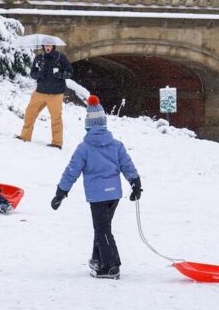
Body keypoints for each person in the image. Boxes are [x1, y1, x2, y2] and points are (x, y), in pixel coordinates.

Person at [50, 95, 142, 280]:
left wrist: (61, 192)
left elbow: (71, 171)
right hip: (114, 195)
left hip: (98, 196)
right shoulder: (116, 145)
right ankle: (97, 258)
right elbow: (127, 165)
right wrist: (135, 183)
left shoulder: (84, 148)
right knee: (103, 227)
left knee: (102, 230)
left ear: (88, 125)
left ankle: (111, 266)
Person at [16, 44, 73, 149]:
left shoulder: (60, 57)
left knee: (56, 118)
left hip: (56, 94)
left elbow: (70, 72)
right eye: (46, 45)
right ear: (43, 46)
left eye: (49, 45)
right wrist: (39, 74)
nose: (48, 47)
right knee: (29, 113)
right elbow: (32, 74)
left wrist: (59, 74)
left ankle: (57, 143)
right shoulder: (39, 58)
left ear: (53, 46)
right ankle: (25, 136)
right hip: (40, 92)